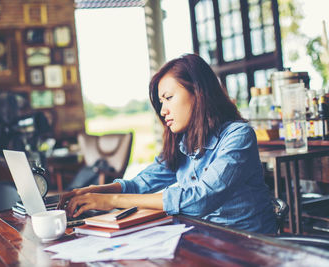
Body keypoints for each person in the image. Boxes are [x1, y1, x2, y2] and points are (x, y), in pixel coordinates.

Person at [58, 53, 277, 234]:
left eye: (168, 98)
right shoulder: (183, 144)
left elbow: (201, 199)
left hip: (247, 246)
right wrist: (93, 190)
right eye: (161, 102)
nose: (163, 111)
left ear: (198, 93)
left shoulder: (238, 136)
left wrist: (111, 200)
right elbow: (140, 184)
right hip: (204, 241)